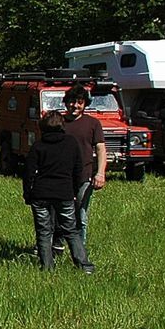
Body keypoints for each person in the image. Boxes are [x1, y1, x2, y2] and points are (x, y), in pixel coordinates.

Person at [24, 110, 94, 273]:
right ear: (62, 126)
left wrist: (27, 194)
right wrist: (75, 191)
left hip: (40, 194)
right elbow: (78, 169)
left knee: (43, 231)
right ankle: (84, 264)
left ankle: (47, 266)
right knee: (71, 229)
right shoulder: (71, 143)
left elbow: (28, 172)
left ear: (43, 127)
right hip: (64, 193)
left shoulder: (38, 145)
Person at [60, 83, 107, 246]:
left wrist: (100, 173)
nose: (75, 106)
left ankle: (80, 251)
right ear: (66, 102)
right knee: (59, 214)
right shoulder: (59, 122)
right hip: (61, 176)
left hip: (84, 176)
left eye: (79, 102)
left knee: (81, 215)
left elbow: (101, 149)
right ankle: (56, 248)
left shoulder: (93, 124)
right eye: (72, 101)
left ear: (85, 104)